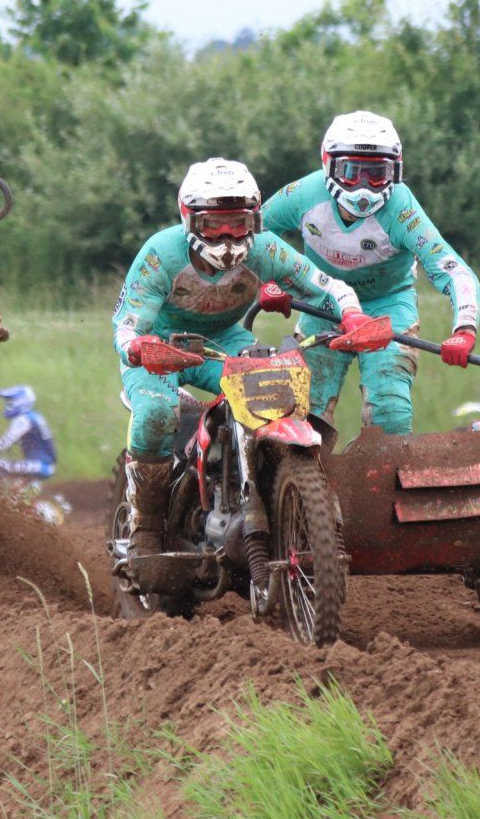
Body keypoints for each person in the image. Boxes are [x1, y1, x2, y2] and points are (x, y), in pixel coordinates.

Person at [113, 158, 391, 570]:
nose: (228, 236)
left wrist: (352, 316)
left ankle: (273, 490)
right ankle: (146, 527)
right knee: (155, 412)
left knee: (275, 390)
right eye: (214, 226)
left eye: (239, 223)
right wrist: (137, 348)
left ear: (255, 221)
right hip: (161, 346)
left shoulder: (264, 250)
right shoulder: (160, 254)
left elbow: (328, 285)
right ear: (190, 220)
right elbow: (126, 323)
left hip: (226, 340)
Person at [258, 111, 480, 435]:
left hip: (387, 306)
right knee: (303, 409)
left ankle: (382, 477)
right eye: (351, 173)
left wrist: (465, 327)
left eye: (377, 175)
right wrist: (270, 281)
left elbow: (451, 267)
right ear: (328, 164)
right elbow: (254, 234)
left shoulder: (402, 209)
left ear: (396, 171)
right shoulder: (303, 195)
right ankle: (303, 481)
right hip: (321, 305)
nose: (364, 188)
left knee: (390, 409)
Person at [0, 385, 57, 480]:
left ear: (20, 401)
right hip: (43, 465)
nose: (7, 405)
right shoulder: (34, 416)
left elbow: (4, 443)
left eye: (10, 402)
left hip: (39, 466)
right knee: (2, 465)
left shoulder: (23, 419)